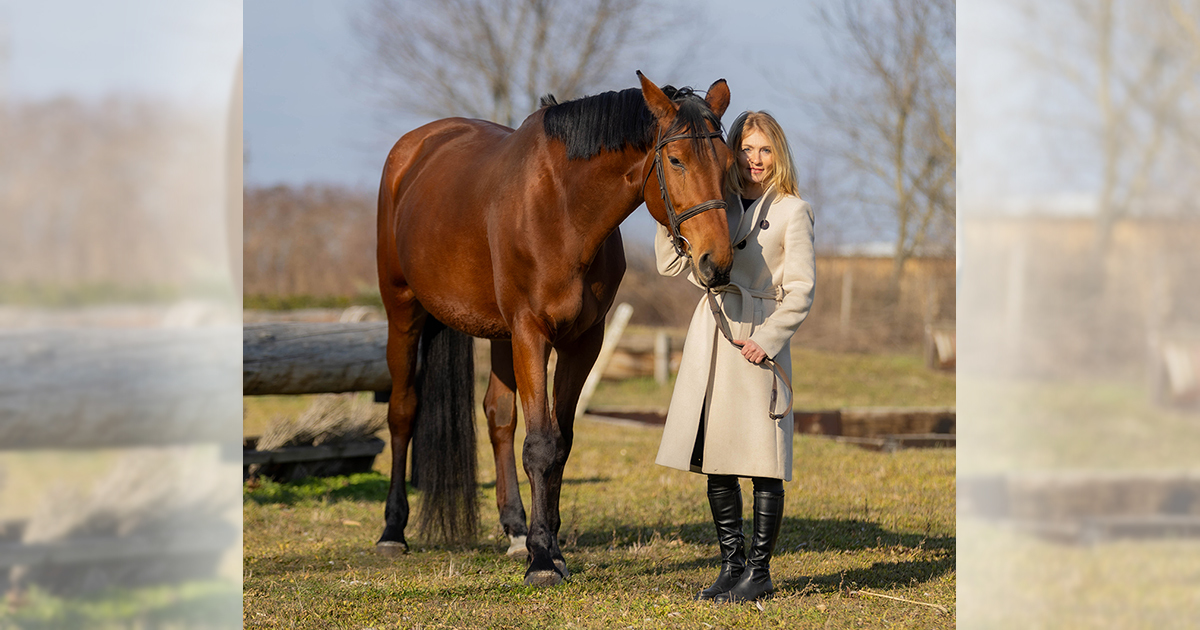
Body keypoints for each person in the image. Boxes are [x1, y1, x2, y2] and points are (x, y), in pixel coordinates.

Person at [654, 111, 815, 603]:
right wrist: (668, 213)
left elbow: (802, 290)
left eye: (764, 150)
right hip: (714, 335)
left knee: (764, 460)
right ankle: (732, 566)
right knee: (718, 459)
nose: (755, 160)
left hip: (758, 341)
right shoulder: (715, 203)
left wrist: (767, 341)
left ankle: (760, 572)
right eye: (746, 150)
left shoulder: (793, 210)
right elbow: (670, 263)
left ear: (778, 154)